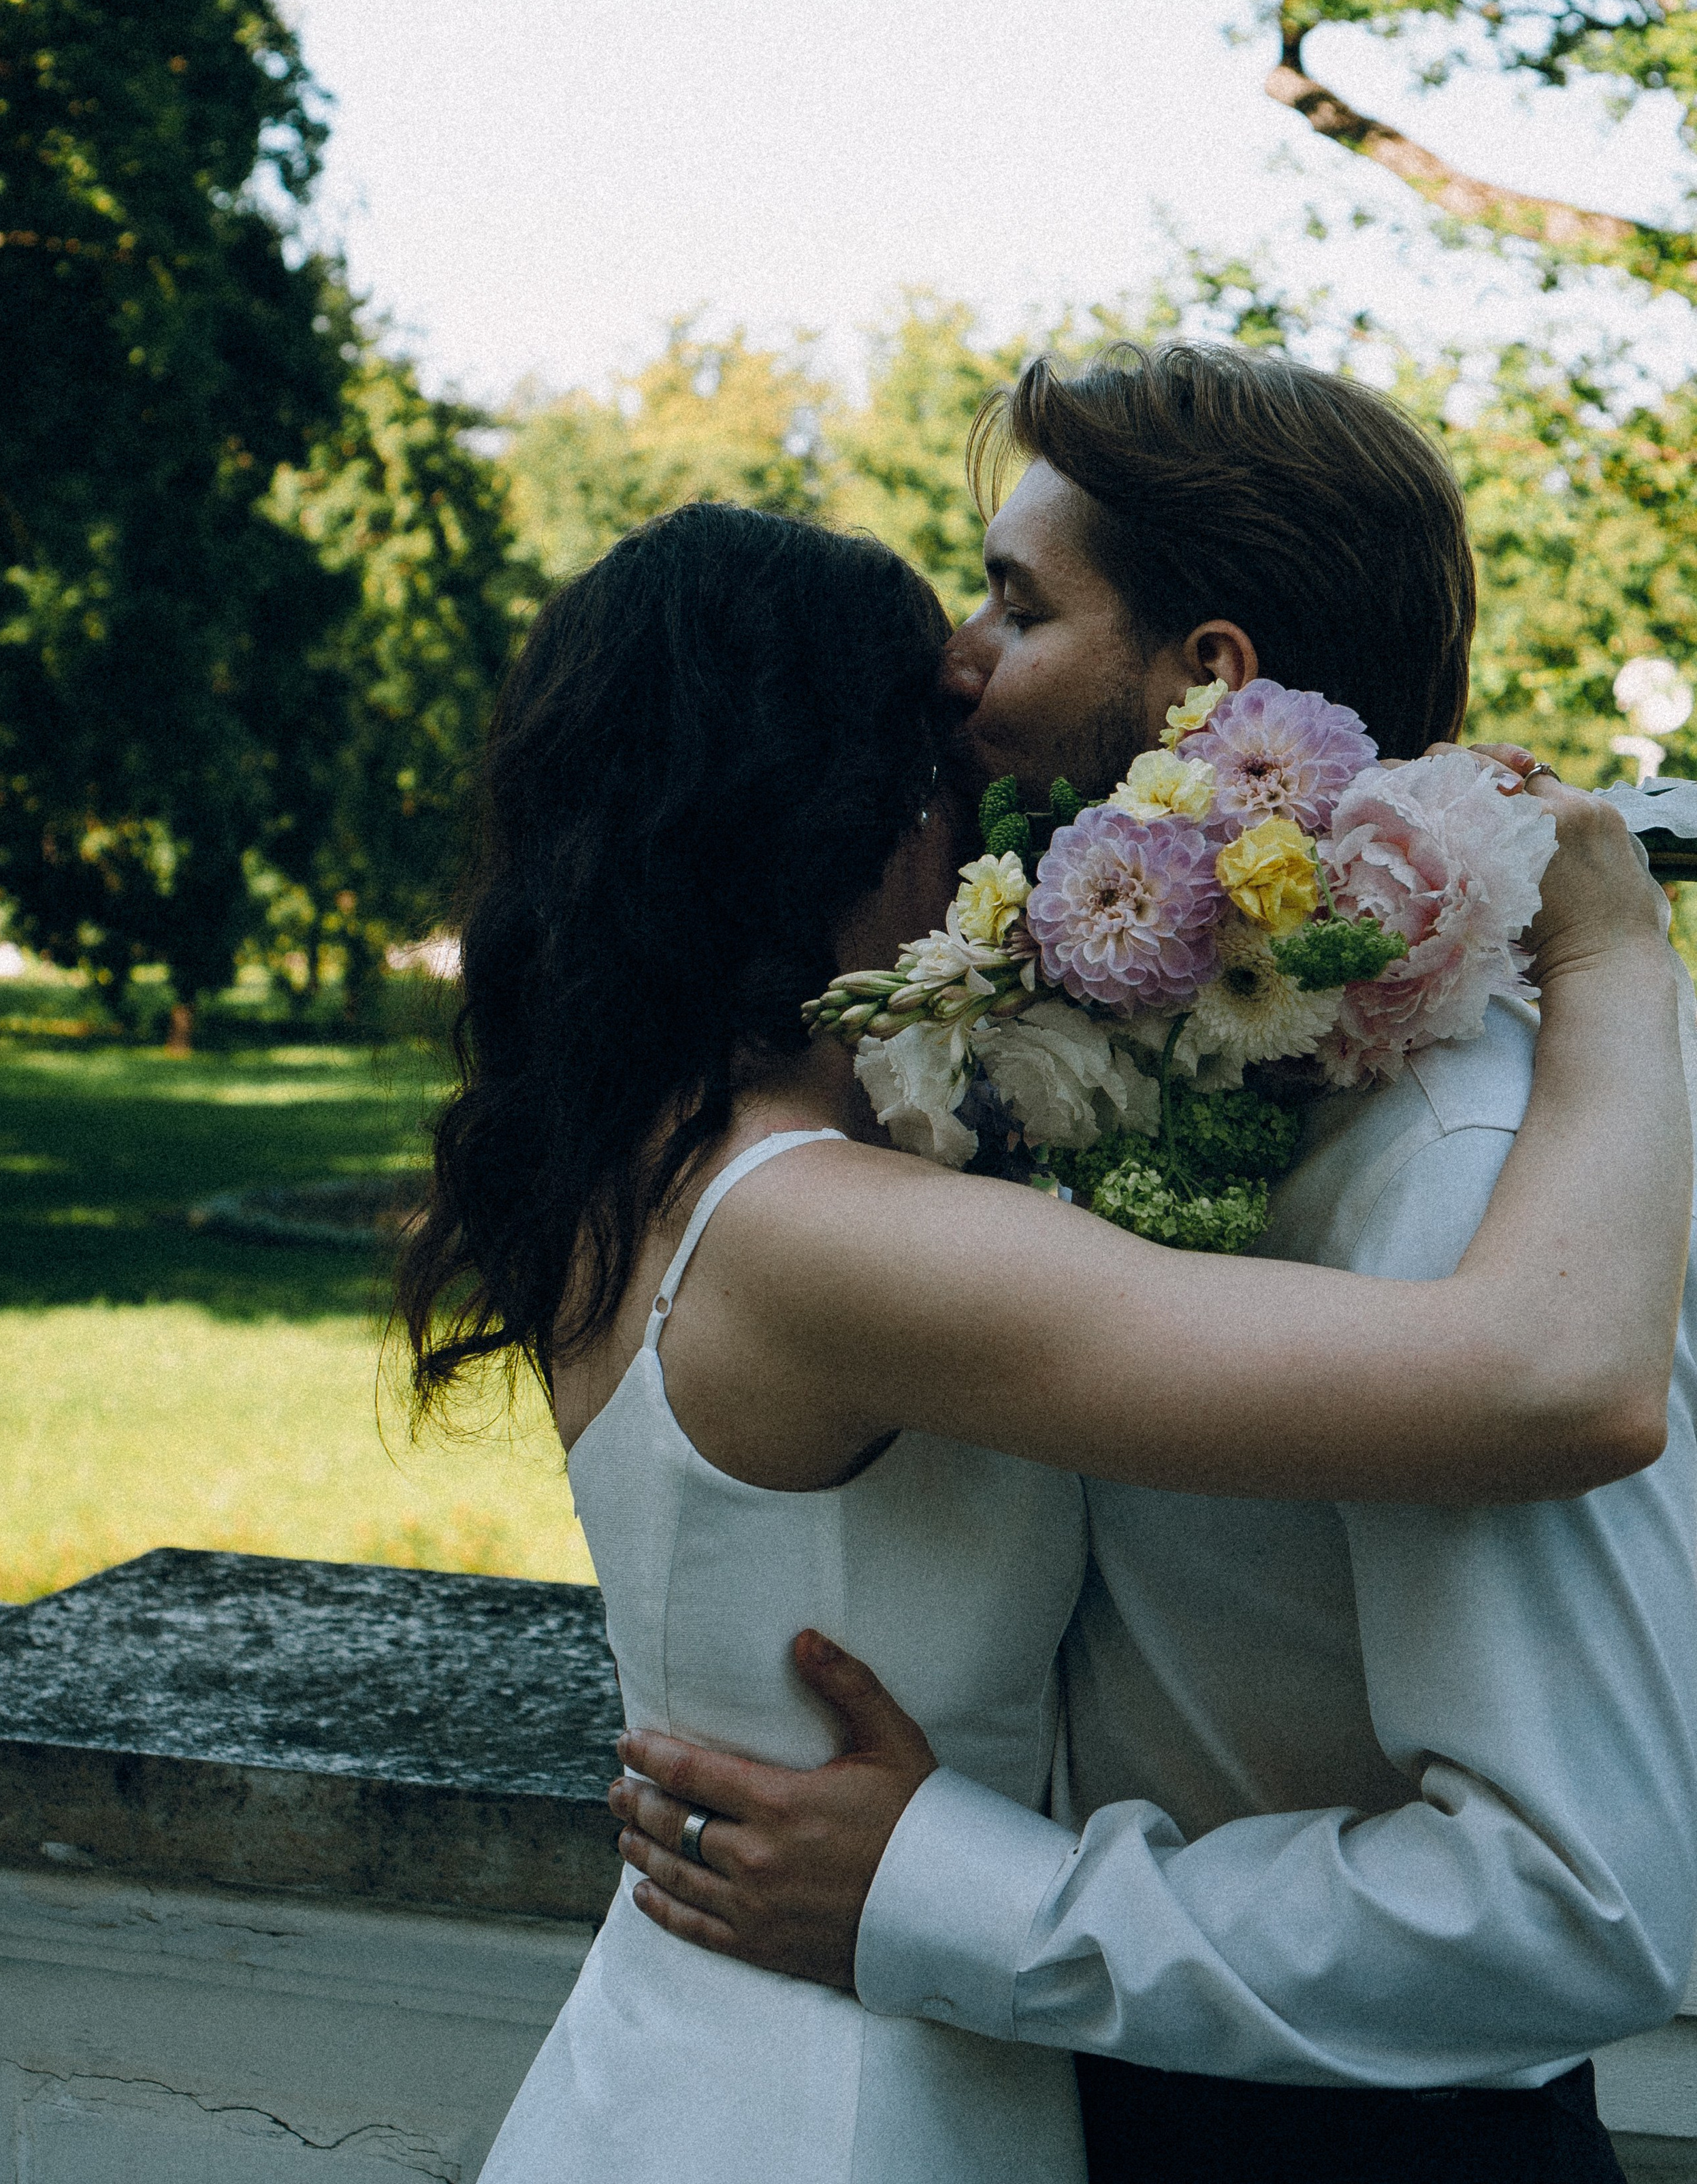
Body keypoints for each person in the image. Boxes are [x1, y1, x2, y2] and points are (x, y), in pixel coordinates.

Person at [396, 490, 1692, 2184]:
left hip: (738, 2033)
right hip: (845, 2087)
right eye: (946, 750)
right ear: (850, 801)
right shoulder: (823, 1236)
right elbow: (1560, 1381)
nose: (993, 798)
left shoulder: (660, 1152)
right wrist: (1609, 954)